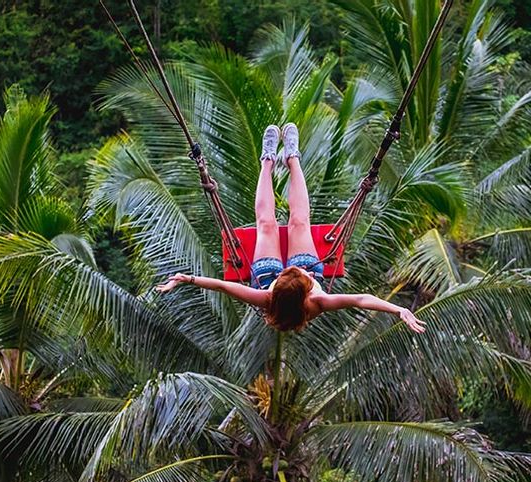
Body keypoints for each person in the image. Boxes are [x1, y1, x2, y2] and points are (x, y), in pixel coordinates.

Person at [158, 123, 425, 334]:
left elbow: (223, 287)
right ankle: (292, 158)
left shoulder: (265, 296)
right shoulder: (318, 302)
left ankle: (267, 161)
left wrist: (186, 278)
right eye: (296, 273)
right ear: (308, 288)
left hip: (265, 276)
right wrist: (397, 310)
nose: (292, 266)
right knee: (299, 221)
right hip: (301, 275)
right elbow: (362, 299)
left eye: (289, 272)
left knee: (266, 225)